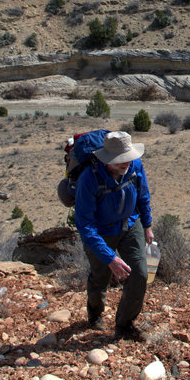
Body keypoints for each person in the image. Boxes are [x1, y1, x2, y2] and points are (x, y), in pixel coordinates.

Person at [74, 131, 153, 340]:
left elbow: (143, 194)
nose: (125, 163)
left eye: (127, 158)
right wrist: (110, 258)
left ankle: (124, 324)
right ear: (107, 159)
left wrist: (147, 224)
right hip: (101, 232)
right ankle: (95, 314)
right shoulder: (89, 179)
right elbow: (85, 225)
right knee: (101, 276)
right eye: (119, 160)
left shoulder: (135, 166)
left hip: (130, 223)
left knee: (140, 274)